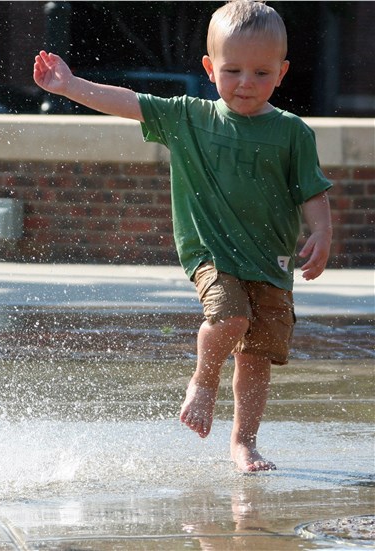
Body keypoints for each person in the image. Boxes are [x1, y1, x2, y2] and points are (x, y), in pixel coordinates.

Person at [33, 0, 332, 472]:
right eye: (232, 71)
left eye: (261, 72)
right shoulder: (190, 118)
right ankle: (203, 381)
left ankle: (244, 443)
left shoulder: (292, 132)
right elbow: (129, 102)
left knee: (256, 358)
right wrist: (69, 85)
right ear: (210, 69)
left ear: (282, 73)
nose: (245, 83)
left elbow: (311, 190)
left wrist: (322, 232)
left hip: (270, 260)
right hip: (211, 252)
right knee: (230, 318)